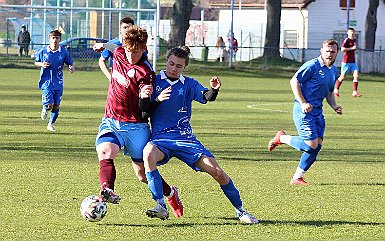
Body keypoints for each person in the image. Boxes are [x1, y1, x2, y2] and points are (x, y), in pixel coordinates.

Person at [139, 46, 259, 224]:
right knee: (148, 154)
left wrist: (214, 89)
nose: (173, 68)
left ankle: (241, 211)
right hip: (161, 139)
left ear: (184, 68)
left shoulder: (189, 84)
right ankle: (160, 205)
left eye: (179, 66)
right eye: (171, 64)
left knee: (218, 173)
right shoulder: (154, 81)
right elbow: (144, 113)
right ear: (167, 62)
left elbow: (207, 96)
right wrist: (154, 99)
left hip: (186, 139)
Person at [95, 26, 183, 218]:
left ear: (143, 49)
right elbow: (114, 45)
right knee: (106, 151)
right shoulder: (118, 52)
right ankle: (107, 190)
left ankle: (170, 192)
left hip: (136, 127)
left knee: (142, 175)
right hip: (112, 121)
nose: (130, 55)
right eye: (128, 50)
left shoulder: (145, 71)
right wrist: (102, 45)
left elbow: (146, 108)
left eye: (135, 52)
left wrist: (144, 96)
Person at [267, 39, 343, 186]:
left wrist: (334, 105)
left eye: (332, 52)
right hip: (303, 111)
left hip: (318, 112)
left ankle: (297, 178)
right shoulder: (312, 65)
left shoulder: (334, 71)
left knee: (317, 146)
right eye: (327, 51)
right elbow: (294, 81)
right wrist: (302, 102)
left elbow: (329, 91)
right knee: (310, 145)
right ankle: (281, 138)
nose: (329, 54)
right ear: (321, 51)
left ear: (337, 53)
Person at [34, 30, 75, 132]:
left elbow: (71, 63)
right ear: (49, 39)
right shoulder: (43, 51)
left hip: (58, 82)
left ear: (60, 39)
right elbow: (36, 62)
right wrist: (42, 64)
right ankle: (45, 108)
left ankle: (50, 124)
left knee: (56, 105)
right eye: (53, 38)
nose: (55, 40)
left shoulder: (63, 52)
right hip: (46, 81)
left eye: (57, 38)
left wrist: (72, 67)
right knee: (50, 105)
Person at [97, 17, 135, 81]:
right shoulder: (112, 44)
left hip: (134, 79)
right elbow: (101, 60)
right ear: (120, 29)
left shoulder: (138, 44)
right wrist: (109, 77)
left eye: (130, 27)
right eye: (125, 27)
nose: (127, 30)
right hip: (118, 80)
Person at [334, 28, 361, 97]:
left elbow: (355, 48)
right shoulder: (346, 40)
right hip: (346, 61)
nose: (352, 34)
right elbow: (342, 49)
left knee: (356, 76)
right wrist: (352, 48)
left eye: (353, 33)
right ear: (348, 33)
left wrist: (355, 48)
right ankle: (336, 89)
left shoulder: (354, 40)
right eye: (351, 33)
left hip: (353, 62)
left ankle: (354, 92)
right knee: (343, 76)